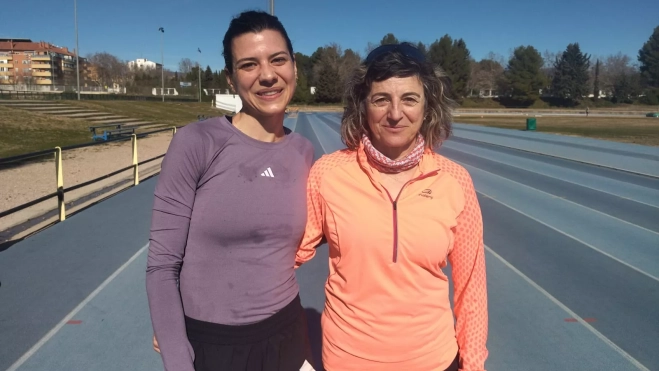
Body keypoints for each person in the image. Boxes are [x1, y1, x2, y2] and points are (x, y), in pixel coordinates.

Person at [295, 43, 489, 371]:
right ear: (363, 106)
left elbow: (472, 288)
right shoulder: (327, 174)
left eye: (409, 99)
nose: (395, 113)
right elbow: (287, 256)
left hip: (435, 361)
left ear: (428, 107)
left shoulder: (455, 181)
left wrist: (472, 366)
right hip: (347, 362)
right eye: (381, 98)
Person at [146, 10, 315, 371]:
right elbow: (162, 265)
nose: (268, 75)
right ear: (230, 78)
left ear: (294, 67)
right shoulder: (197, 143)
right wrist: (177, 357)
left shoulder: (304, 152)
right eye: (249, 64)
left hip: (287, 332)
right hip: (214, 345)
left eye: (278, 60)